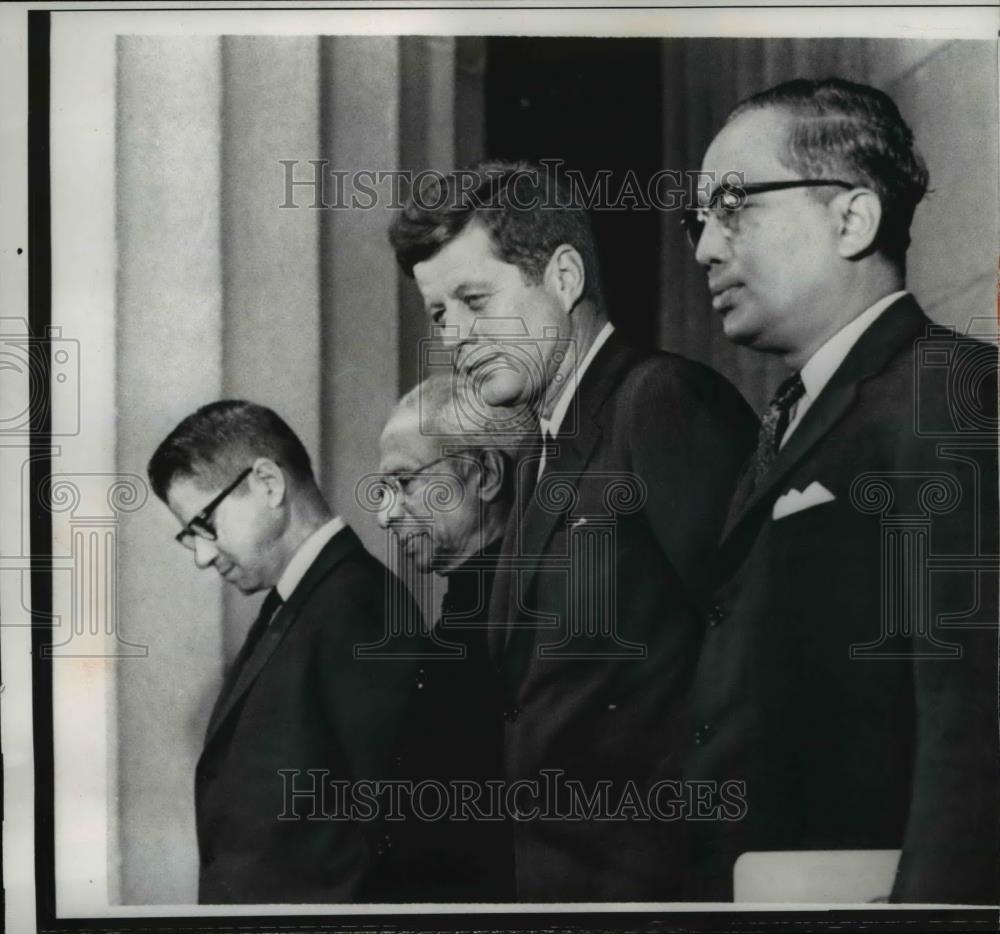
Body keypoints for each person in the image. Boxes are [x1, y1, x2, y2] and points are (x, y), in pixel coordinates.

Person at [389, 161, 758, 901]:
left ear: (562, 277)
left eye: (474, 299)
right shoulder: (543, 456)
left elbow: (751, 659)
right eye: (439, 315)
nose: (455, 336)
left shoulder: (660, 401)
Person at [682, 77, 999, 903]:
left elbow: (973, 727)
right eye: (698, 221)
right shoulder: (788, 417)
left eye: (732, 207)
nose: (704, 249)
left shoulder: (949, 394)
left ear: (852, 219)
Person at [147, 400, 420, 904]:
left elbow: (397, 830)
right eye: (189, 537)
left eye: (205, 525)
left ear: (269, 483)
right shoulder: (298, 600)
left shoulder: (356, 605)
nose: (203, 556)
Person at [372, 373, 524, 900]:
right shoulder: (467, 609)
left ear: (483, 475)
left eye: (405, 482)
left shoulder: (517, 619)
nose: (386, 514)